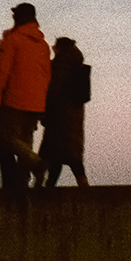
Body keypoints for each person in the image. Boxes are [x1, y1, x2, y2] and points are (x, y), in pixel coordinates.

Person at [0, 2, 51, 189]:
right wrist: (43, 101)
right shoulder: (44, 45)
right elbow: (47, 75)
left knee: (7, 137)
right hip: (36, 103)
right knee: (26, 141)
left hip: (14, 99)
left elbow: (2, 72)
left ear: (18, 18)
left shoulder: (13, 40)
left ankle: (37, 164)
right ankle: (23, 185)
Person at [39, 37, 91, 186]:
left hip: (58, 115)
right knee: (71, 153)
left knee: (53, 152)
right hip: (74, 115)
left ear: (59, 48)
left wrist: (43, 110)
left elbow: (51, 91)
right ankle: (82, 184)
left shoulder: (59, 66)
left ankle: (48, 186)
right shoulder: (77, 66)